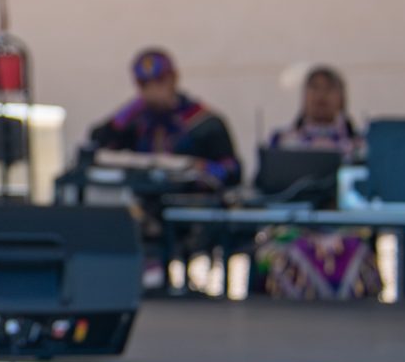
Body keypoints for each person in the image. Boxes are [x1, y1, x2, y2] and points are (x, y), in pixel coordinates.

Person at [254, 65, 383, 299]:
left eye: (329, 89)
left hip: (346, 226)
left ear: (342, 97)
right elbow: (264, 186)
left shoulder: (359, 144)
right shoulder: (282, 140)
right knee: (281, 251)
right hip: (292, 225)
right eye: (314, 88)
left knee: (355, 250)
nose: (321, 96)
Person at [88, 48, 240, 190]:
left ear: (173, 78)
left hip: (192, 206)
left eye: (160, 81)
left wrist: (200, 167)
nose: (153, 90)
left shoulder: (204, 123)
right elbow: (98, 141)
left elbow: (233, 172)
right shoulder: (138, 123)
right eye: (144, 84)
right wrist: (133, 107)